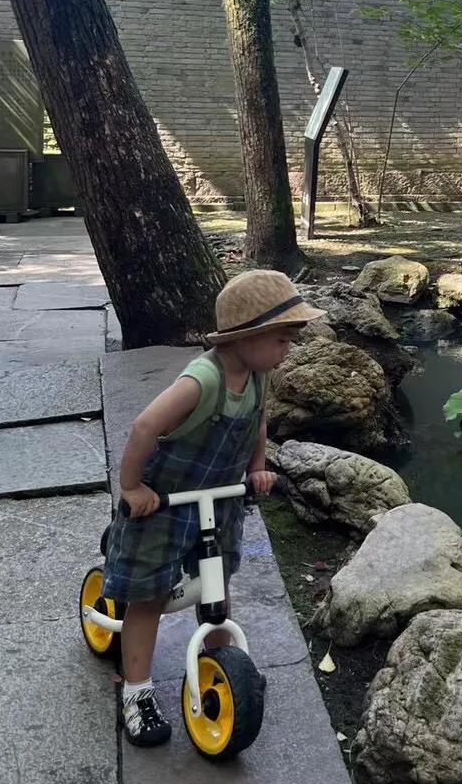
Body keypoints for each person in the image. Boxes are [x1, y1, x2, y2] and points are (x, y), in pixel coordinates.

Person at [101, 268, 323, 746]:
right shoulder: (202, 380)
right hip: (163, 502)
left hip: (217, 498)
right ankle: (136, 690)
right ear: (249, 336)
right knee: (148, 596)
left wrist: (258, 466)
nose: (288, 350)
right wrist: (132, 486)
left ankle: (223, 663)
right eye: (283, 340)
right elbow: (144, 427)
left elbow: (258, 423)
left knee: (215, 582)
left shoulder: (260, 377)